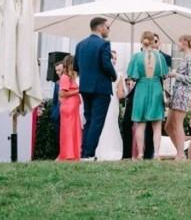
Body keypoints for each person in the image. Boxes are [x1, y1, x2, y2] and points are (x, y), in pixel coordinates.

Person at [74, 15, 118, 160]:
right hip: (101, 88)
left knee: (89, 120)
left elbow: (76, 67)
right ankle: (89, 154)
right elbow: (106, 64)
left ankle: (84, 153)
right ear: (100, 27)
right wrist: (114, 76)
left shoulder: (80, 45)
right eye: (108, 27)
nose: (109, 30)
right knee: (97, 121)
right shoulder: (104, 44)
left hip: (85, 87)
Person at [127, 30, 168, 161]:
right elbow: (165, 75)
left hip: (141, 88)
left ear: (142, 41)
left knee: (140, 124)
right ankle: (156, 154)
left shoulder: (136, 57)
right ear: (153, 41)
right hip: (156, 88)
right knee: (157, 124)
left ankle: (140, 153)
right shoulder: (160, 57)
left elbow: (132, 77)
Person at [167, 35, 191, 161]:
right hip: (177, 93)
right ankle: (181, 153)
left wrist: (176, 75)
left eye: (179, 42)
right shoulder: (186, 58)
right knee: (168, 126)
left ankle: (180, 154)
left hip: (183, 93)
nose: (178, 44)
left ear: (185, 42)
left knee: (177, 124)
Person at [56, 55, 81, 161]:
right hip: (68, 107)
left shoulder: (70, 77)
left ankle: (74, 153)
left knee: (73, 130)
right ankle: (68, 154)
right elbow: (62, 93)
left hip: (73, 107)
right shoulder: (65, 77)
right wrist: (78, 91)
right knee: (69, 131)